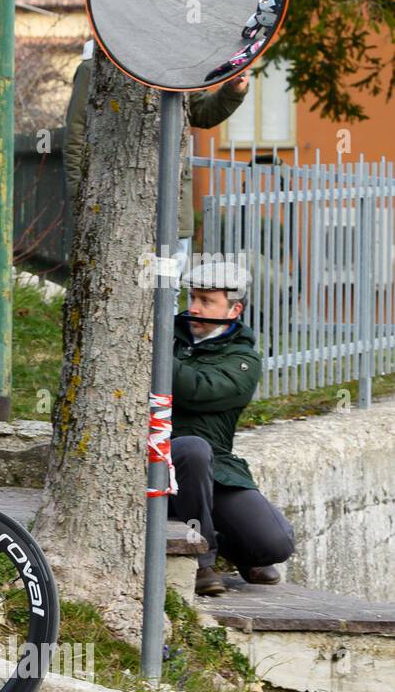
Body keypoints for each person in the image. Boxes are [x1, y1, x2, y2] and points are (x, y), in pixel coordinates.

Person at [64, 41, 248, 272]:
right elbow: (77, 136)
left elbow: (201, 113)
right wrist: (80, 198)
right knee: (128, 285)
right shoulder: (98, 63)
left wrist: (232, 90)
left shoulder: (176, 59)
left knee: (167, 289)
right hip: (117, 207)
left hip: (174, 206)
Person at [169, 261, 295, 596]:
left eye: (207, 301)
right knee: (192, 450)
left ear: (234, 309)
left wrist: (156, 353)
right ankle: (202, 562)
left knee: (276, 543)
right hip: (163, 455)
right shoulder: (169, 335)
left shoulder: (243, 360)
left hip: (216, 467)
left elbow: (197, 390)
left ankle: (233, 548)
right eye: (193, 298)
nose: (194, 308)